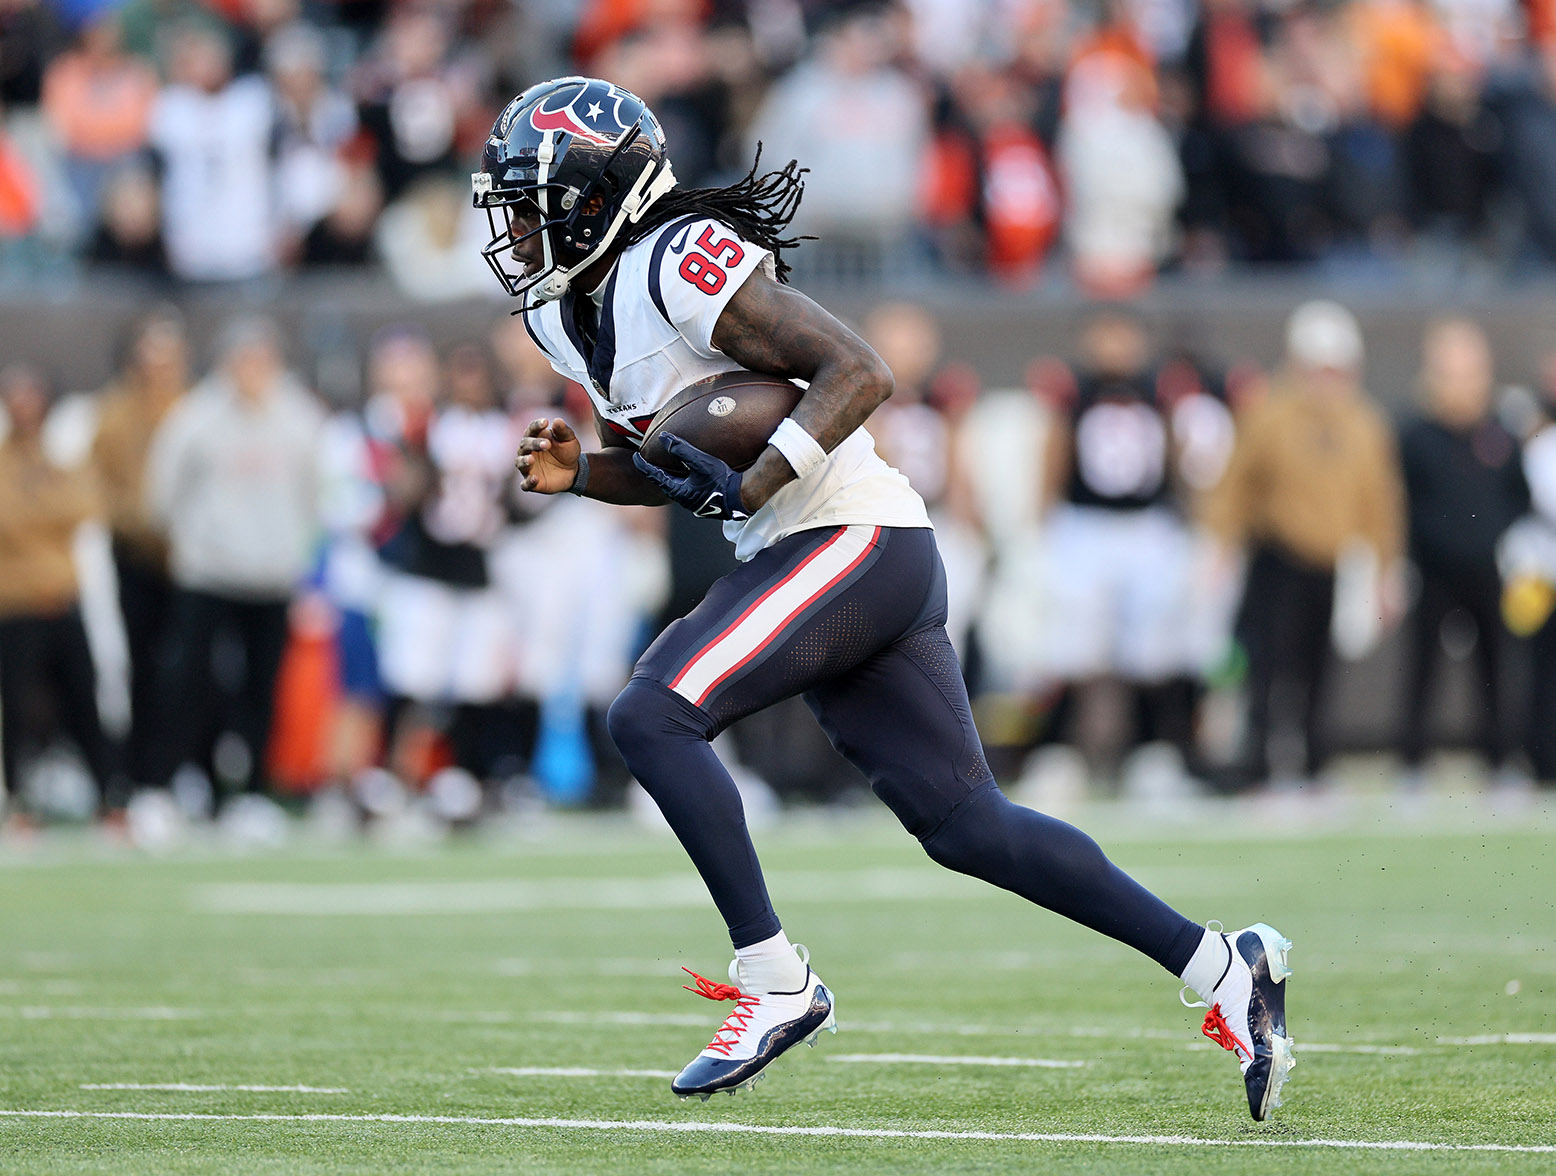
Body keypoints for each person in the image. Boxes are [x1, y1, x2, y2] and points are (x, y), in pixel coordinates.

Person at [485, 76, 1294, 1120]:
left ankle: (775, 981)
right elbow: (687, 456)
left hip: (847, 536)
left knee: (651, 711)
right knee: (967, 825)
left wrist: (761, 480)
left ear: (597, 199)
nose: (510, 227)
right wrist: (590, 473)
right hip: (827, 551)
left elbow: (857, 371)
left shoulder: (675, 259)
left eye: (526, 201)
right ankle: (1225, 968)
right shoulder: (563, 316)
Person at [1206, 301, 1405, 789]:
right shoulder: (1269, 414)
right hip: (1277, 557)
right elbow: (1236, 487)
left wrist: (1387, 568)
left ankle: (1316, 763)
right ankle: (1258, 765)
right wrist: (1219, 547)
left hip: (1333, 561)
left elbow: (1381, 501)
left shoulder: (1365, 424)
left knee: (1321, 671)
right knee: (1267, 667)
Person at [145, 316, 322, 801]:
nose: (252, 371)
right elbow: (161, 495)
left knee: (262, 690)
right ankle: (177, 782)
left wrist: (292, 548)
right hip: (208, 574)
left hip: (271, 576)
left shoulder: (299, 416)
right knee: (191, 683)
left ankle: (251, 793)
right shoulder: (195, 417)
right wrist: (196, 543)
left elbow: (316, 494)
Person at [1396, 317, 1527, 789]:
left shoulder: (1501, 433)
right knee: (1422, 670)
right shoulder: (1417, 435)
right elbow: (1405, 502)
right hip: (1432, 570)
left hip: (1489, 570)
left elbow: (1519, 498)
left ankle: (1498, 762)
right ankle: (1412, 766)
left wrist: (1509, 549)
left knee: (1495, 670)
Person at [0, 363, 120, 813]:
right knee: (18, 707)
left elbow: (84, 506)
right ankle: (18, 800)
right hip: (15, 604)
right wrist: (44, 518)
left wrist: (36, 515)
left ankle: (111, 795)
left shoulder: (58, 460)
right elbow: (9, 518)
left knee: (85, 701)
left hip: (63, 599)